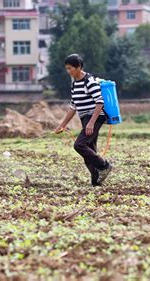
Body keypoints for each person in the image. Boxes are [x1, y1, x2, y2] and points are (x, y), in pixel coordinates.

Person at [55, 54, 113, 186]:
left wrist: (91, 122)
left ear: (79, 67)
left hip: (95, 117)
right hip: (85, 118)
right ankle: (96, 182)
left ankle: (104, 166)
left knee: (79, 145)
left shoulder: (89, 81)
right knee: (89, 154)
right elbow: (73, 106)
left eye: (71, 68)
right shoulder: (74, 83)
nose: (69, 71)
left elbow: (100, 102)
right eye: (67, 69)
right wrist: (62, 125)